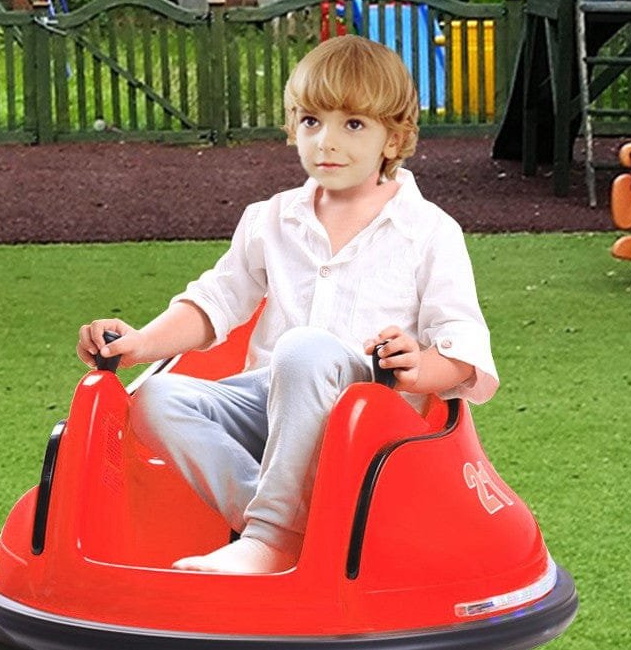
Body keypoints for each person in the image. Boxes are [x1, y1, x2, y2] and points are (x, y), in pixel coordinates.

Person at [77, 34, 498, 575]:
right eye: (310, 122)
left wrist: (420, 367)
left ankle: (271, 537)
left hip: (368, 414)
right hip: (271, 400)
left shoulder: (429, 232)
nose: (326, 141)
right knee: (157, 397)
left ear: (393, 139)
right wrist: (139, 343)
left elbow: (462, 343)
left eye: (353, 125)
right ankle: (284, 522)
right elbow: (215, 301)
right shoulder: (271, 218)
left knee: (303, 351)